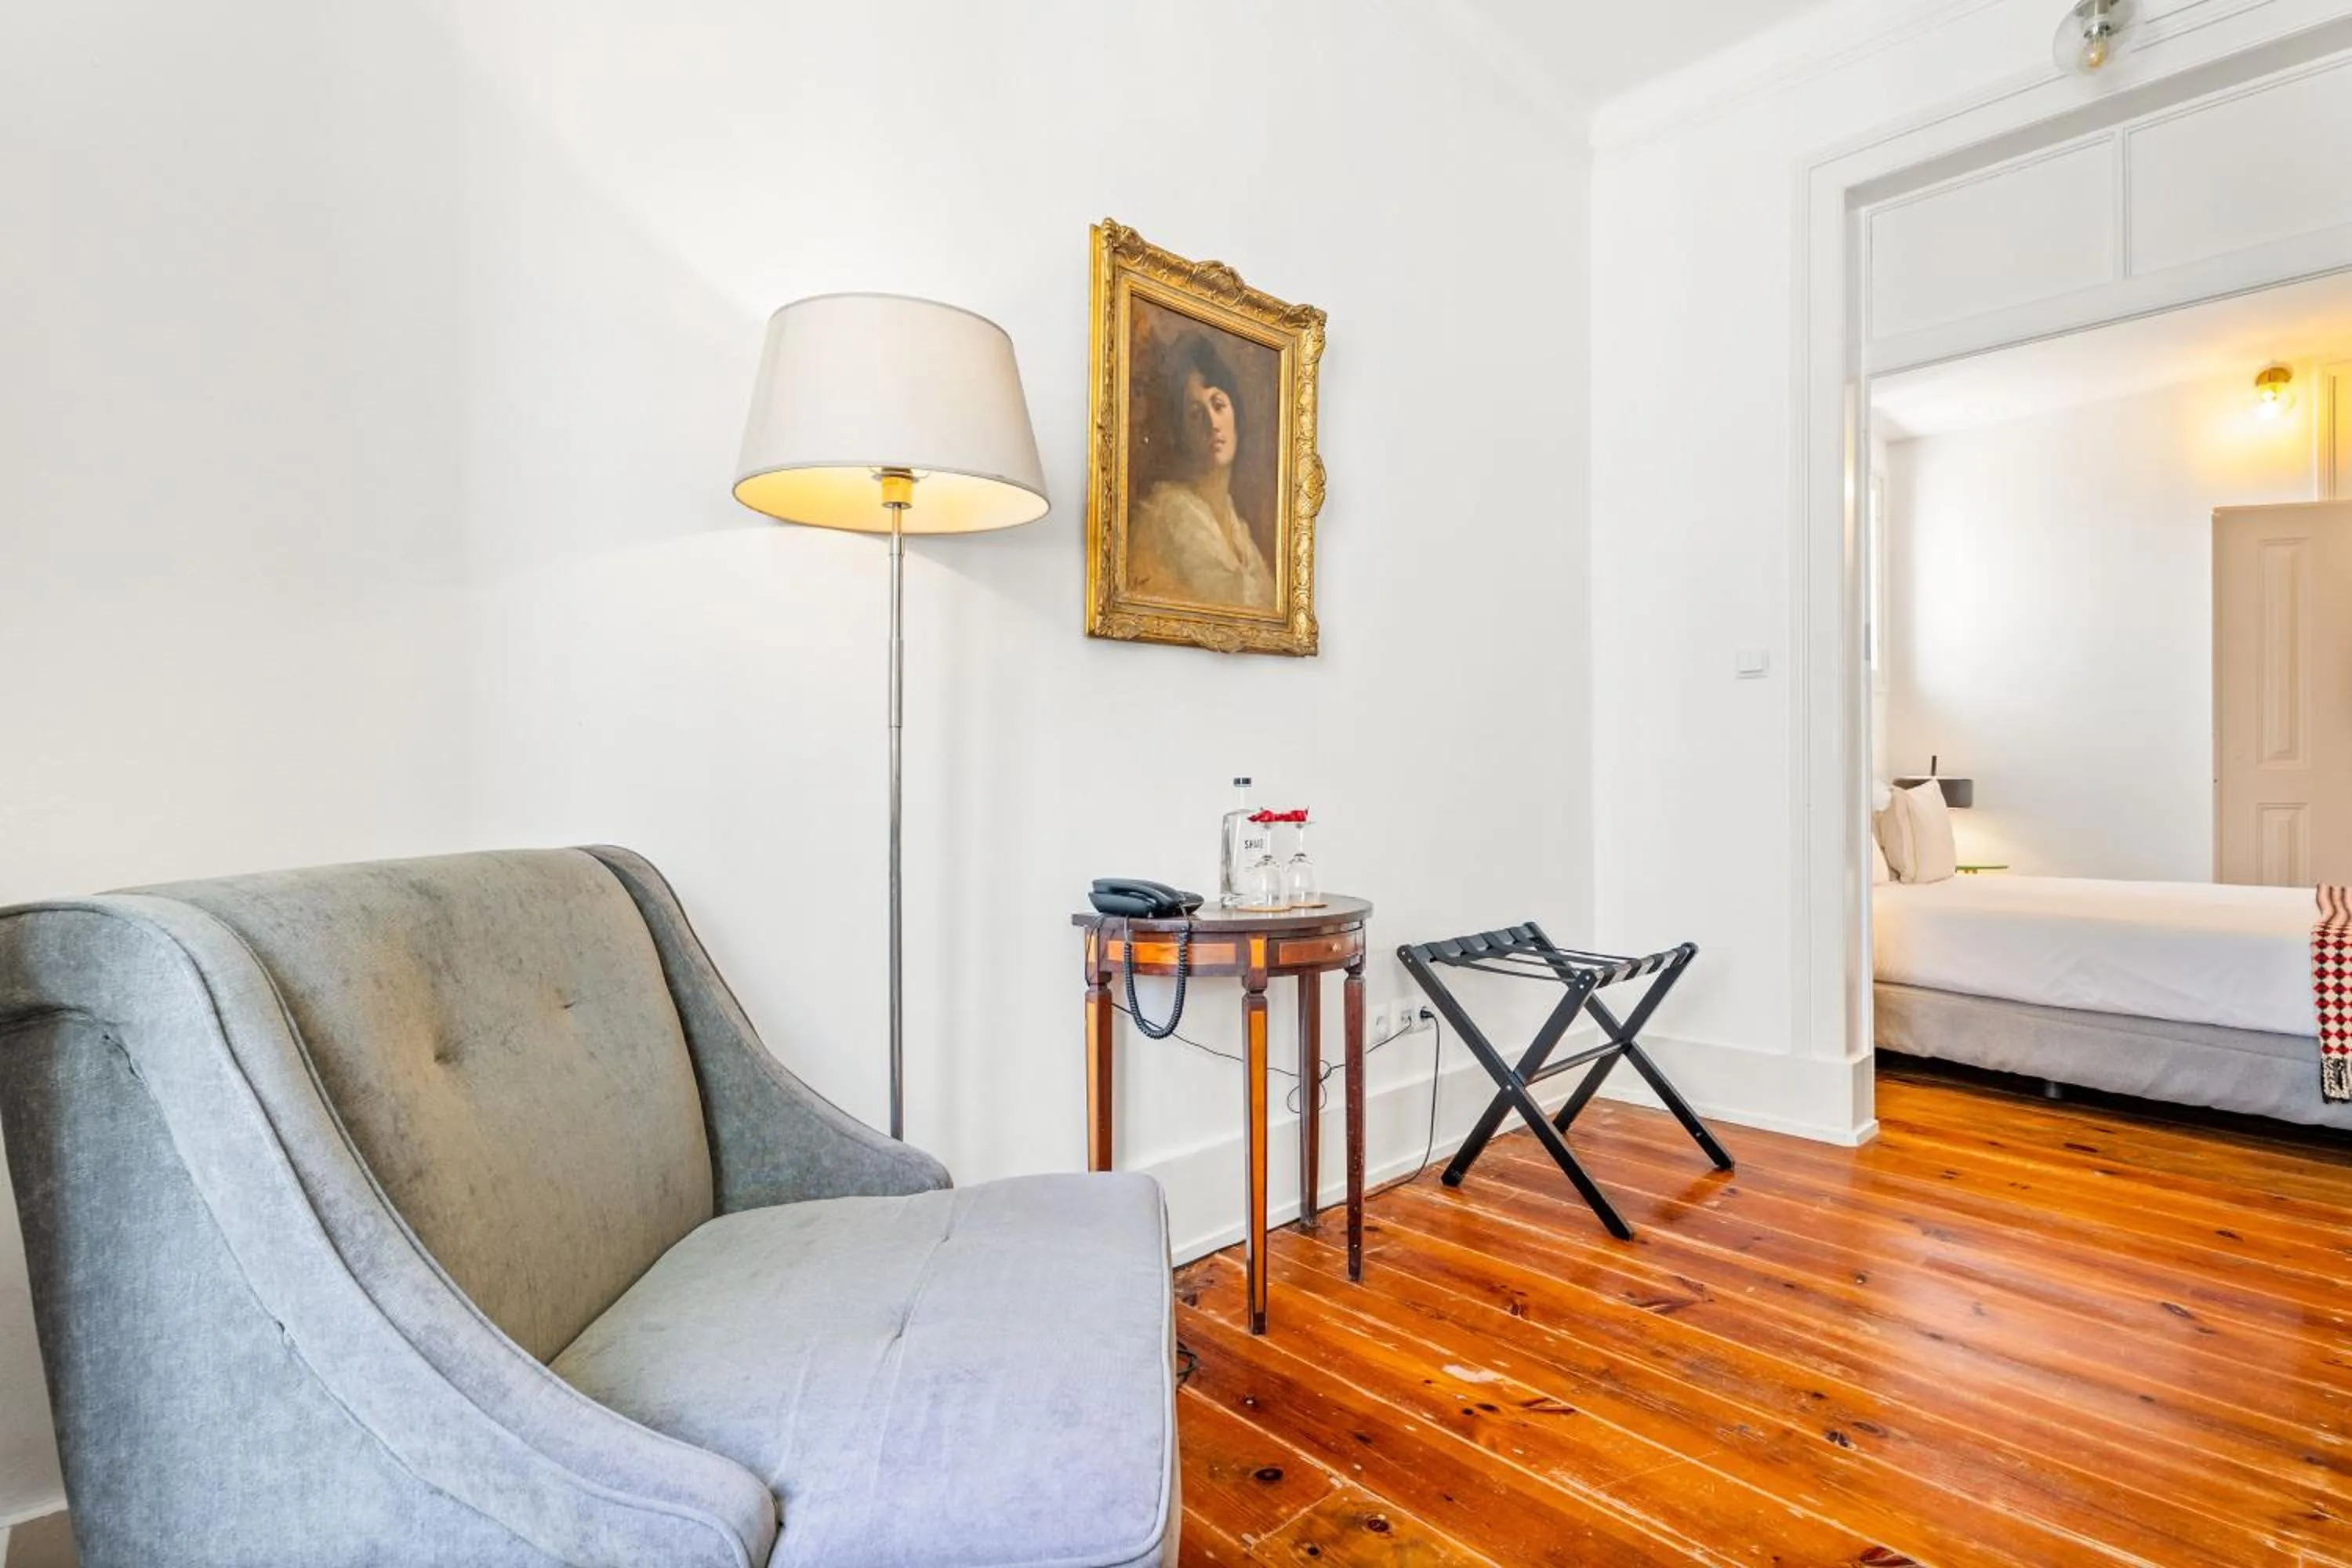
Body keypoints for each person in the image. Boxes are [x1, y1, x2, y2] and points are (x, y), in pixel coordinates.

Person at [1128, 334, 1276, 611]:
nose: (1212, 423)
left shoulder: (1240, 531)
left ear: (1236, 415)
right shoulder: (1166, 517)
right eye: (1196, 414)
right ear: (1182, 433)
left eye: (1218, 406)